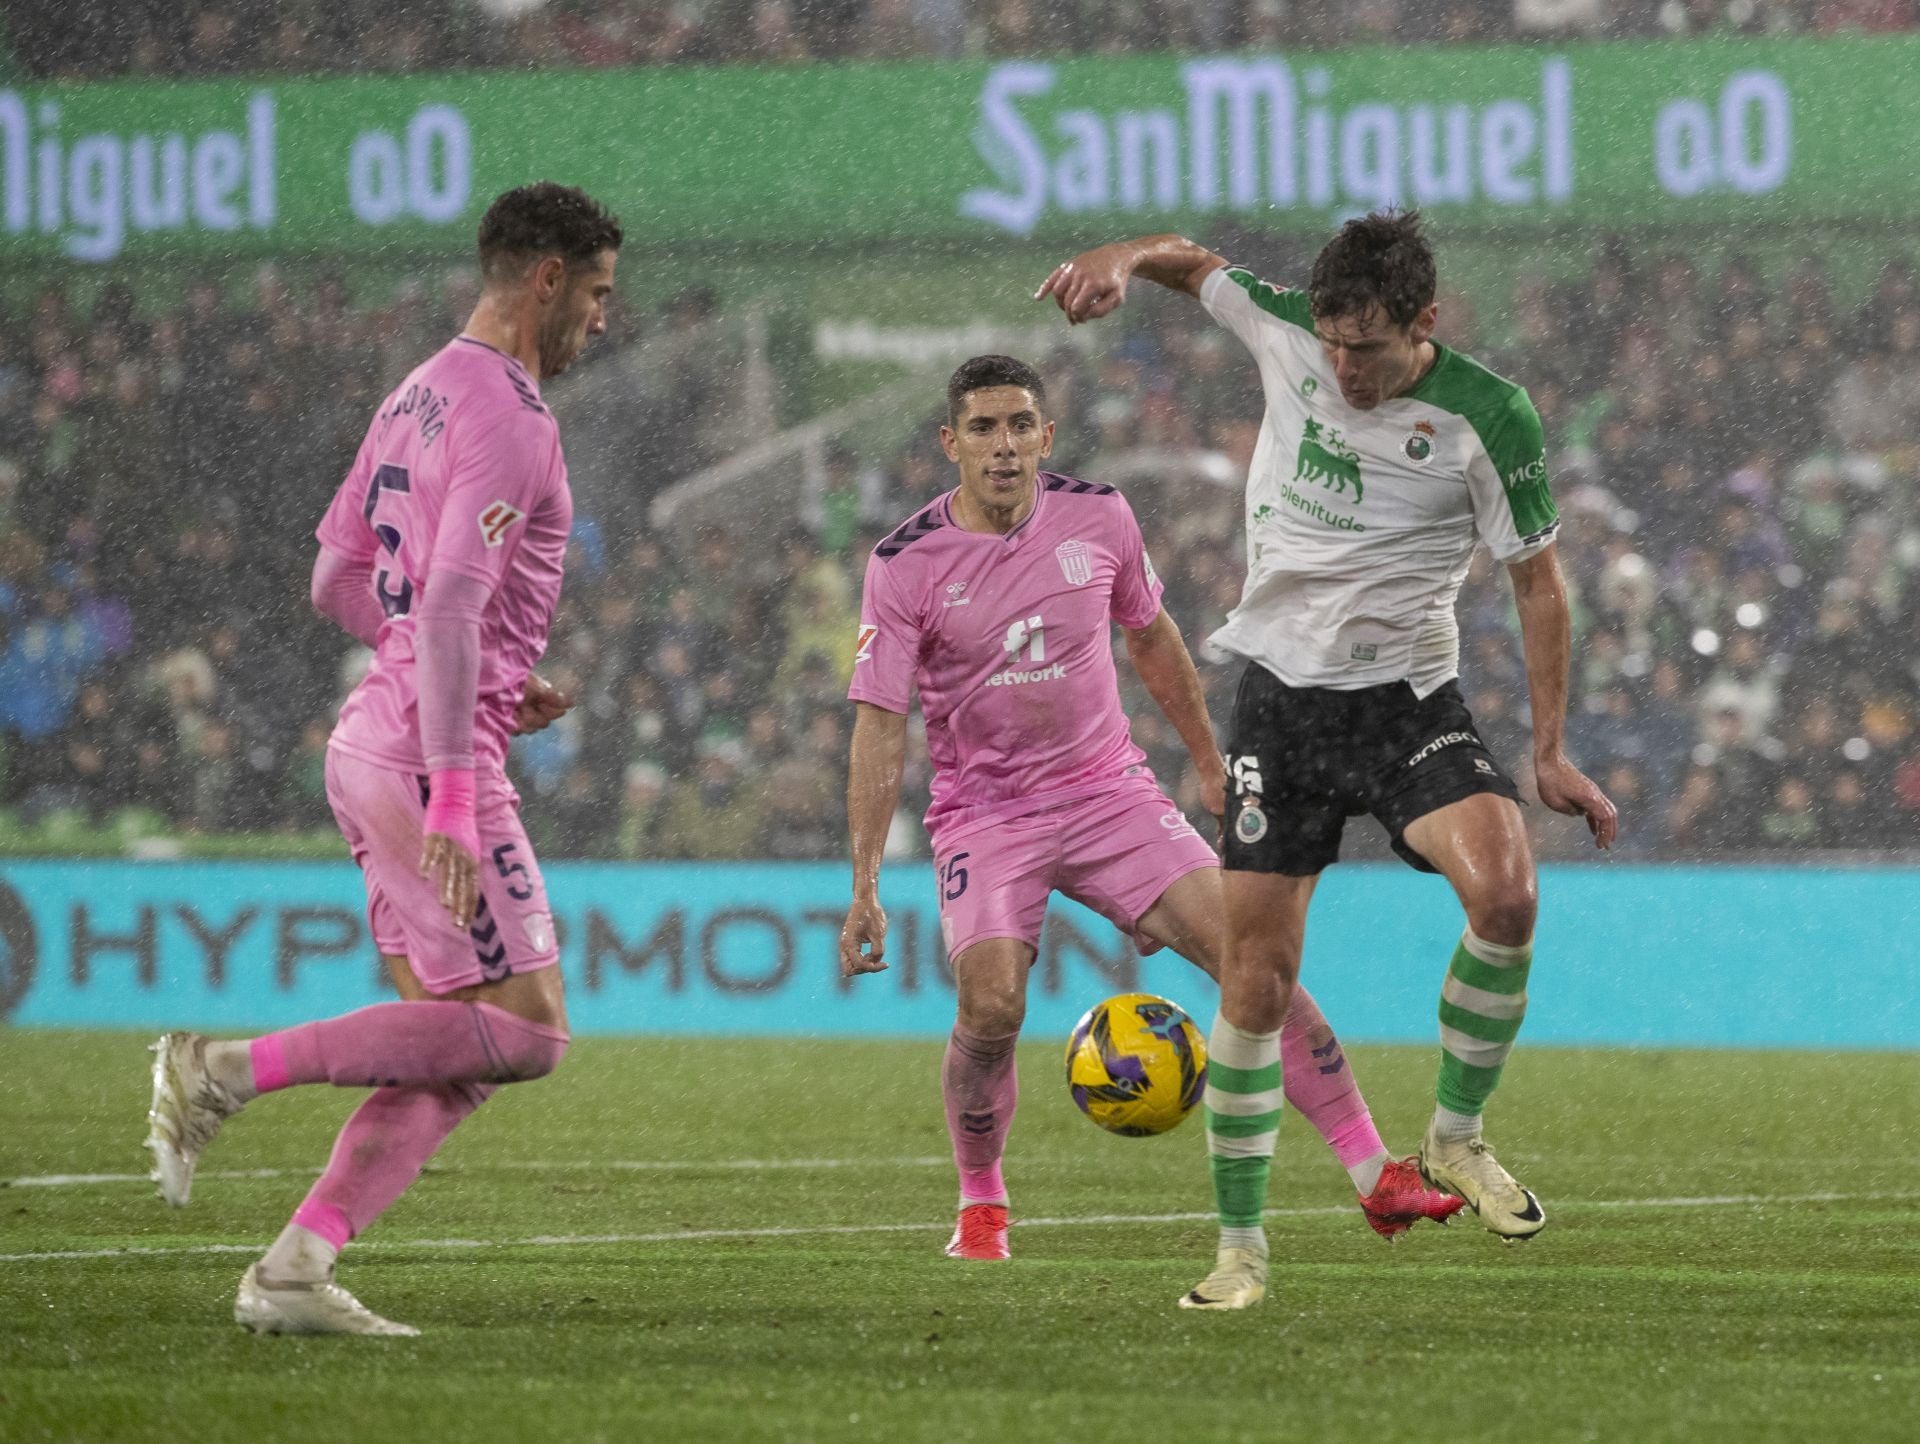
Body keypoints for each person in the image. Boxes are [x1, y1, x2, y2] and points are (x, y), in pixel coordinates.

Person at [1037, 211, 1618, 1309]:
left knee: (1507, 896)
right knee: (1256, 980)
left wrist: (1547, 748)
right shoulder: (1288, 329)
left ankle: (1455, 1134)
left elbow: (1537, 585)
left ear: (1425, 322)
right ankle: (1240, 1252)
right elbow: (1187, 259)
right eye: (1336, 346)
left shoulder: (1489, 415)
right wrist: (1118, 259)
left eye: (1372, 350)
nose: (1346, 369)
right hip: (1282, 710)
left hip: (1407, 702)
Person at [837, 354, 1460, 1276]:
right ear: (950, 445)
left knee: (1254, 960)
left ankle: (1376, 1175)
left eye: (1019, 426)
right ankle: (982, 1204)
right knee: (993, 1006)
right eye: (982, 429)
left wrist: (1208, 762)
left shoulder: (1101, 516)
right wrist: (865, 886)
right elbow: (879, 726)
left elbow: (1153, 635)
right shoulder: (904, 565)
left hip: (1109, 795)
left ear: (1046, 437)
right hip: (989, 816)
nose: (1003, 447)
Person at [143, 181, 621, 1336]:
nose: (604, 319)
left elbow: (334, 581)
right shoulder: (512, 415)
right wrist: (458, 785)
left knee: (455, 1052)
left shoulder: (416, 393)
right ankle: (219, 1070)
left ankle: (295, 1273)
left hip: (374, 739)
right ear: (546, 278)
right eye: (598, 293)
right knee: (529, 1031)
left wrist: (486, 676)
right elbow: (452, 605)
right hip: (424, 763)